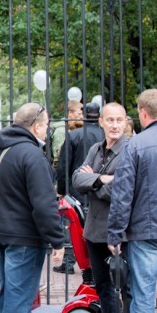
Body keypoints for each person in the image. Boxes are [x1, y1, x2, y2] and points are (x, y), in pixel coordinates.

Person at [0, 103, 65, 313]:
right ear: (36, 127)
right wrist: (57, 240)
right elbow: (44, 204)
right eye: (46, 125)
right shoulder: (33, 155)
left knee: (7, 293)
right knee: (18, 300)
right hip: (25, 237)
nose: (47, 130)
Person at [108, 89, 157, 313]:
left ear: (143, 113)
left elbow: (122, 194)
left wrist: (115, 234)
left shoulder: (135, 145)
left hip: (144, 233)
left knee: (143, 297)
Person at [72, 102, 131, 313]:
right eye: (110, 120)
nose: (115, 125)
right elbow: (77, 180)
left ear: (125, 122)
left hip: (119, 233)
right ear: (101, 122)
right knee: (104, 288)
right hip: (95, 231)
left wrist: (94, 180)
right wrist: (104, 179)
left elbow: (123, 190)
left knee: (125, 289)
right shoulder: (95, 149)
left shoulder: (130, 150)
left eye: (119, 120)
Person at [55, 102, 103, 275]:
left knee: (74, 225)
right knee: (97, 224)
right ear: (99, 116)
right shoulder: (106, 134)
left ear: (84, 115)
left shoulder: (74, 135)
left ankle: (68, 261)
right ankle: (95, 263)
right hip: (100, 188)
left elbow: (63, 165)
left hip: (78, 188)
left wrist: (62, 189)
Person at [50, 100, 83, 170]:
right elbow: (58, 158)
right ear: (70, 113)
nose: (82, 116)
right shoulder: (61, 130)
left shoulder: (74, 128)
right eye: (79, 114)